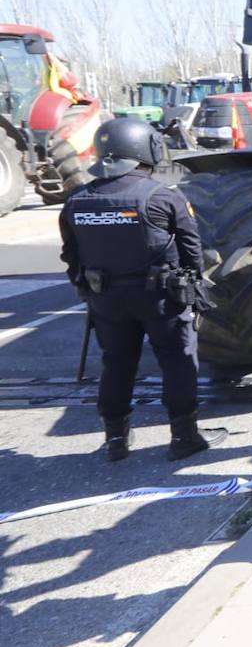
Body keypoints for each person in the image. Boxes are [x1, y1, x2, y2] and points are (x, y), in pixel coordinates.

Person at [60, 117, 227, 462]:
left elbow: (71, 255)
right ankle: (184, 436)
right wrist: (194, 286)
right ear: (144, 150)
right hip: (161, 298)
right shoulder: (162, 196)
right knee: (177, 362)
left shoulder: (76, 199)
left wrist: (88, 289)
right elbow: (192, 248)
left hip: (106, 299)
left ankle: (115, 439)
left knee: (116, 363)